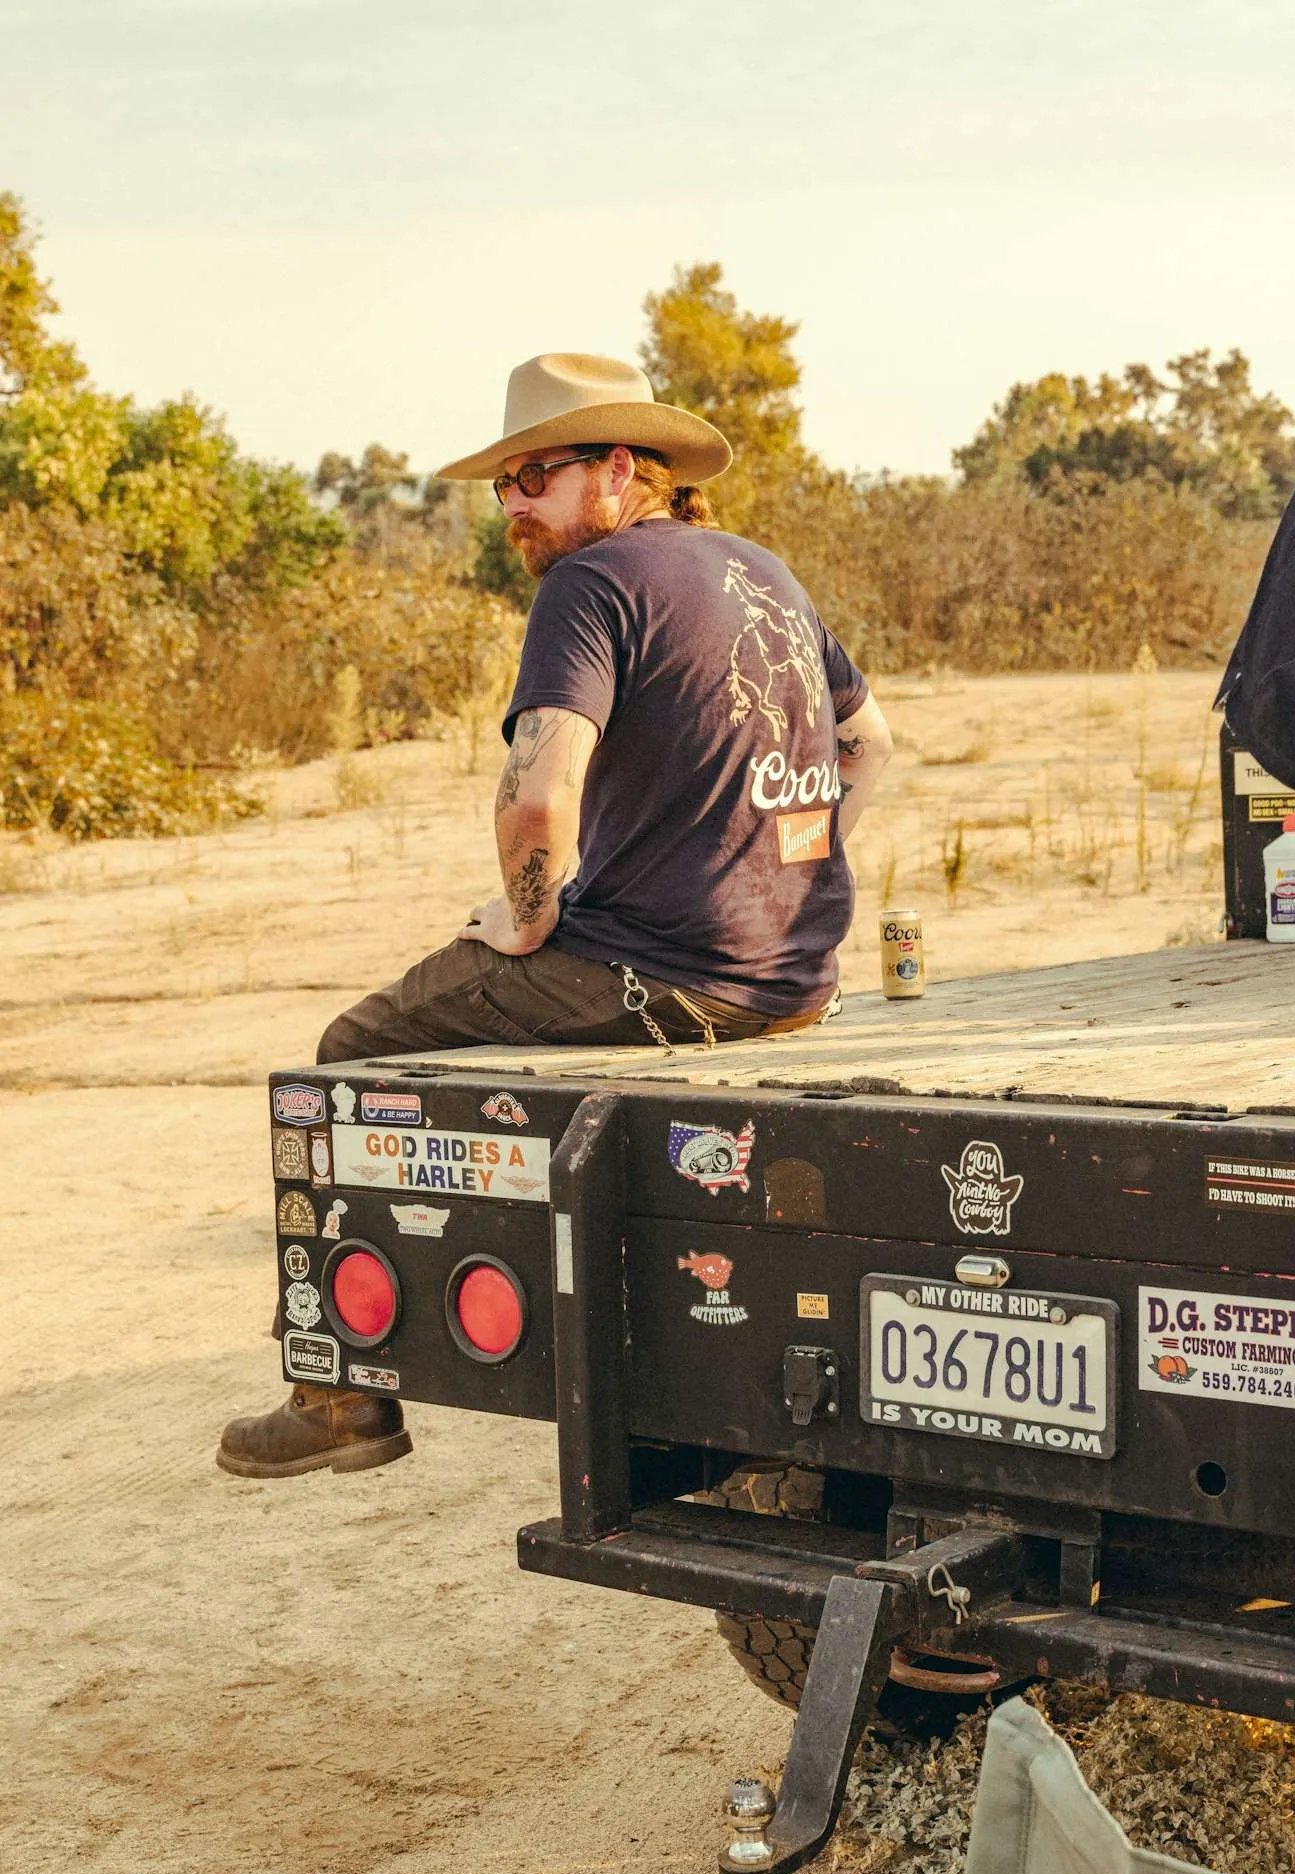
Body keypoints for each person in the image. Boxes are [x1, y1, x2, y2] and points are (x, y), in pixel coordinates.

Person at [217, 352, 892, 1479]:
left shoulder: (591, 586)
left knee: (345, 1058)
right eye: (502, 485)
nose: (515, 507)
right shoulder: (760, 569)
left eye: (537, 475)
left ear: (621, 468)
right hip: (794, 977)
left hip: (667, 974)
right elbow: (872, 744)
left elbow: (537, 795)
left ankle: (338, 1400)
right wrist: (782, 867)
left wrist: (529, 924)